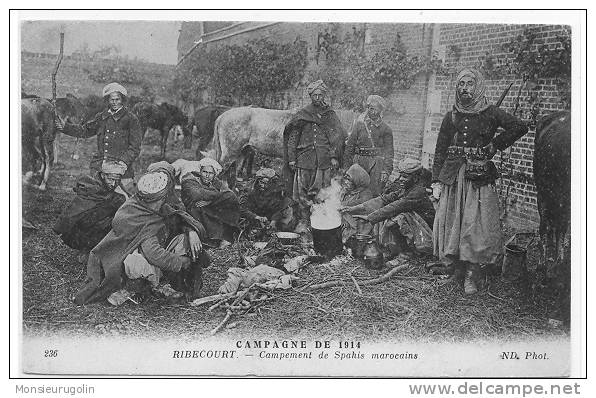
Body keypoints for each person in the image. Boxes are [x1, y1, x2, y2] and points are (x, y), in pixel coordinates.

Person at [432, 68, 528, 295]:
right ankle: (456, 270)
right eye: (461, 84)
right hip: (454, 178)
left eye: (469, 84)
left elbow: (520, 127)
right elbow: (439, 150)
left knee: (474, 226)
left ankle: (472, 274)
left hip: (478, 179)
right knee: (453, 224)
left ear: (478, 87)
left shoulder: (491, 113)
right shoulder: (451, 116)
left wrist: (495, 145)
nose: (464, 88)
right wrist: (436, 180)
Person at [73, 162, 208, 306]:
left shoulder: (139, 203)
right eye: (162, 199)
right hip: (126, 263)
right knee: (136, 262)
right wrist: (181, 262)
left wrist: (191, 231)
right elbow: (154, 253)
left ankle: (152, 282)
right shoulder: (144, 219)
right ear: (157, 198)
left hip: (142, 256)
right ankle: (138, 287)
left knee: (182, 239)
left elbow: (179, 215)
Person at [55, 82, 142, 193]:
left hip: (122, 171)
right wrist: (65, 127)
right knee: (98, 200)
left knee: (125, 200)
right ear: (107, 100)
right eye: (112, 99)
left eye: (117, 99)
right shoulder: (102, 117)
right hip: (99, 169)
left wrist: (122, 165)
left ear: (123, 100)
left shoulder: (131, 119)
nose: (114, 102)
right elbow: (85, 130)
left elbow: (135, 147)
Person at [284, 79, 347, 231]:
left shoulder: (330, 115)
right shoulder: (302, 114)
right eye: (314, 95)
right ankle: (304, 222)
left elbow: (337, 136)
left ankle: (319, 222)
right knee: (301, 194)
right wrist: (292, 159)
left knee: (322, 192)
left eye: (320, 95)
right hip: (304, 159)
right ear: (310, 96)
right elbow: (293, 137)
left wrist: (333, 156)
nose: (317, 98)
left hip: (323, 161)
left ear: (324, 95)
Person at [344, 158, 435, 260]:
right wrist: (353, 209)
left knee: (396, 219)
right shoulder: (407, 188)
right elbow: (383, 199)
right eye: (400, 175)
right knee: (388, 214)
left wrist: (369, 217)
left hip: (425, 228)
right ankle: (397, 249)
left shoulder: (417, 192)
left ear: (415, 178)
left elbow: (394, 207)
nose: (400, 179)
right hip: (416, 224)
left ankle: (407, 253)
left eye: (404, 177)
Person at [53, 159, 128, 264]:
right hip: (82, 230)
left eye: (117, 180)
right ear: (102, 175)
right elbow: (76, 215)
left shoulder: (117, 191)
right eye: (110, 179)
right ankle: (87, 249)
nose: (114, 183)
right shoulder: (91, 188)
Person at [180, 157, 240, 248]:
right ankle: (209, 239)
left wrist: (210, 201)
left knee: (228, 199)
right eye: (205, 172)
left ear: (214, 175)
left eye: (211, 173)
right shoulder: (189, 179)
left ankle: (225, 234)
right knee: (198, 206)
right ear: (200, 172)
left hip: (207, 210)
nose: (207, 176)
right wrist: (217, 196)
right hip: (190, 214)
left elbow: (231, 196)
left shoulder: (214, 182)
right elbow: (196, 194)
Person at [343, 95, 395, 195]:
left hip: (376, 164)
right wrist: (346, 167)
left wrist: (386, 171)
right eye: (370, 109)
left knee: (373, 192)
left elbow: (389, 152)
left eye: (375, 109)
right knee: (354, 191)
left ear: (381, 110)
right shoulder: (359, 125)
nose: (372, 112)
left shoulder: (386, 129)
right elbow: (349, 147)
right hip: (358, 162)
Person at [239, 168, 297, 237]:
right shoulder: (249, 190)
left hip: (268, 216)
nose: (262, 185)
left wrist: (274, 220)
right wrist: (256, 217)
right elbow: (242, 208)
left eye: (266, 183)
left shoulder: (276, 191)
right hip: (253, 215)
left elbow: (279, 208)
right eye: (261, 182)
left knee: (288, 211)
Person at [338, 164, 374, 245]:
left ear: (357, 181)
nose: (346, 182)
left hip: (359, 227)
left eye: (349, 180)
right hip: (346, 225)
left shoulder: (366, 194)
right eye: (345, 179)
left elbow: (359, 204)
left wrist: (341, 205)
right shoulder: (345, 191)